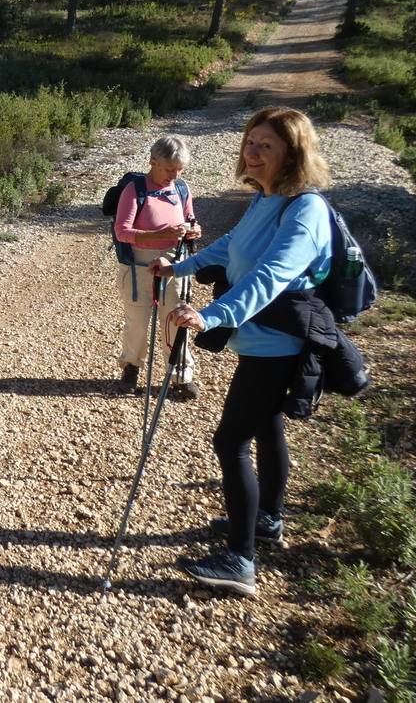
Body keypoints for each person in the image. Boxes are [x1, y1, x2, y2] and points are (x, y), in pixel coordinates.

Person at [151, 106, 333, 596]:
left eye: (265, 145)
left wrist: (209, 316)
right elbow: (232, 246)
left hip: (279, 343)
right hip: (260, 340)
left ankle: (241, 559)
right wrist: (180, 269)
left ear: (291, 153)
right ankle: (267, 521)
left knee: (230, 441)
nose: (251, 152)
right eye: (250, 142)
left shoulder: (307, 210)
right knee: (267, 427)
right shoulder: (267, 199)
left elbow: (269, 277)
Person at [113, 136, 201, 398]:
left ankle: (181, 376)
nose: (174, 176)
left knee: (176, 320)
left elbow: (190, 220)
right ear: (153, 161)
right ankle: (130, 369)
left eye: (179, 170)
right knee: (137, 323)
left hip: (175, 266)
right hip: (140, 267)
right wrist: (161, 233)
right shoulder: (134, 189)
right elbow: (122, 232)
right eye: (169, 169)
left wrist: (193, 231)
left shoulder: (181, 189)